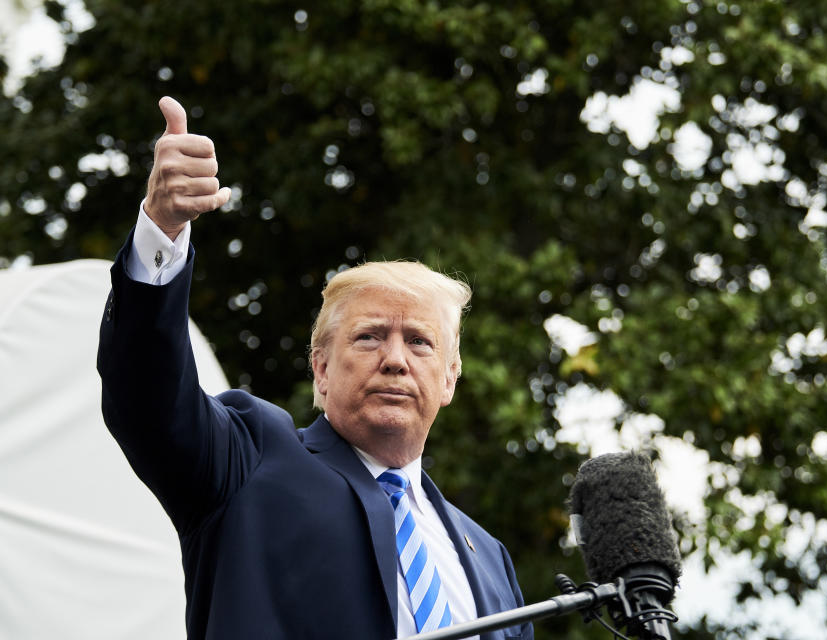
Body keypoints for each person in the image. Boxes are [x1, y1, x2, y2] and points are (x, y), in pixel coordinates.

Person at [97, 96, 533, 640]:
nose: (395, 359)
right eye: (370, 336)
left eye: (420, 342)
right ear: (321, 370)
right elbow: (148, 397)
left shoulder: (489, 558)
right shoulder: (248, 458)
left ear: (449, 379)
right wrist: (161, 230)